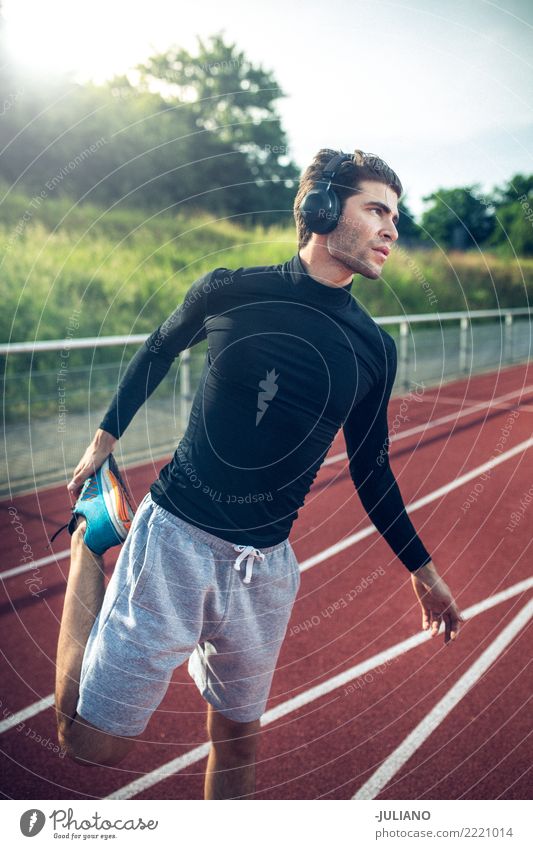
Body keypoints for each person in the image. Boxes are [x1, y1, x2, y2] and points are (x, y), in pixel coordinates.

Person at [53, 148, 463, 799]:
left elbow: (371, 467)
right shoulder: (231, 289)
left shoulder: (373, 348)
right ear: (321, 210)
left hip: (264, 571)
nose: (391, 227)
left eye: (395, 214)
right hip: (173, 544)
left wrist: (423, 568)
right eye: (376, 209)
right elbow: (158, 349)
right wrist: (102, 441)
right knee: (89, 743)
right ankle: (88, 545)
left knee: (239, 745)